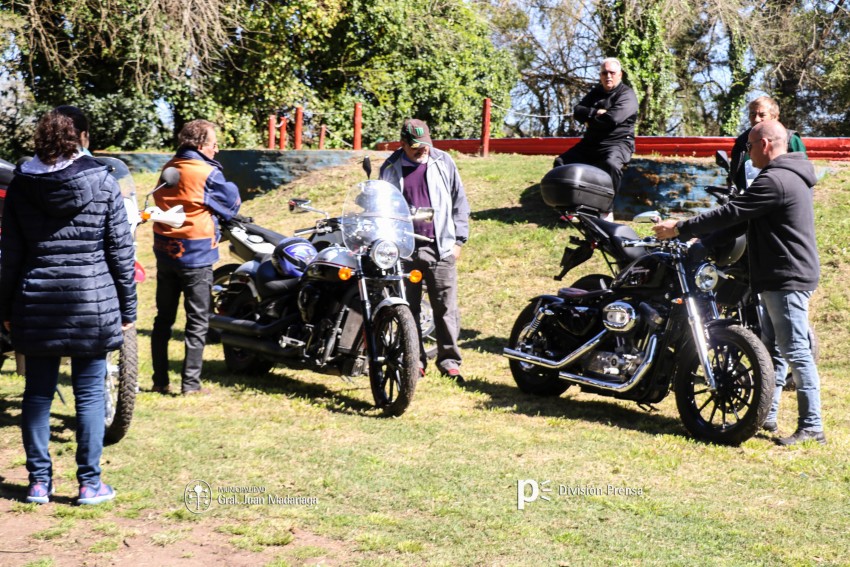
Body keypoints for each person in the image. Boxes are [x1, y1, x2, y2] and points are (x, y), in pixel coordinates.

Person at [653, 120, 824, 446]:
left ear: (765, 144)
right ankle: (767, 417)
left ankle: (812, 425)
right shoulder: (787, 177)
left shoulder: (776, 180)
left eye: (748, 148)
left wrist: (681, 228)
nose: (746, 155)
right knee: (772, 352)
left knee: (796, 351)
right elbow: (739, 222)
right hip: (780, 276)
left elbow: (730, 213)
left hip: (786, 278)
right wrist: (700, 243)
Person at [0, 106, 137, 504]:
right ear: (83, 137)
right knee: (90, 394)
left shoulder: (22, 183)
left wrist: (5, 309)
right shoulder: (104, 179)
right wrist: (128, 310)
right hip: (90, 302)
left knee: (37, 394)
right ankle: (89, 484)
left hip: (36, 297)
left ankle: (39, 482)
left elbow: (10, 255)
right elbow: (120, 253)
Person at [150, 120, 241, 395]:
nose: (216, 149)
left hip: (166, 250)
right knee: (198, 320)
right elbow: (231, 205)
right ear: (201, 145)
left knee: (163, 319)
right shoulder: (206, 173)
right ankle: (190, 385)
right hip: (196, 253)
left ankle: (159, 380)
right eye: (214, 144)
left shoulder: (170, 167)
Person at [380, 119, 470, 383]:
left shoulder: (444, 162)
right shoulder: (389, 167)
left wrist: (458, 242)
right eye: (417, 147)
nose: (423, 151)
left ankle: (449, 362)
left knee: (445, 308)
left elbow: (459, 203)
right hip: (404, 251)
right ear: (403, 144)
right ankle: (415, 360)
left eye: (426, 145)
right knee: (409, 309)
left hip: (439, 248)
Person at [553, 57, 638, 219]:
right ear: (600, 75)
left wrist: (590, 119)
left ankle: (606, 210)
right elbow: (577, 110)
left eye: (612, 73)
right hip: (591, 143)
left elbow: (613, 119)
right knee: (561, 163)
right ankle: (570, 209)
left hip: (618, 143)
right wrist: (595, 113)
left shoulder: (627, 95)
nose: (608, 76)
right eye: (604, 73)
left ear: (620, 75)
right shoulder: (596, 92)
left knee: (610, 164)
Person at [728, 96, 806, 192]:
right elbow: (734, 176)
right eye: (752, 114)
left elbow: (803, 173)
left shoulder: (790, 139)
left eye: (762, 115)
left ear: (774, 117)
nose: (756, 119)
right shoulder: (741, 142)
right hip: (748, 203)